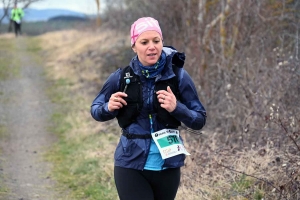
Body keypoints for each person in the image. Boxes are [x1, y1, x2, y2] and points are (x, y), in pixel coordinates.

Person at [91, 17, 206, 200]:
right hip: (130, 164)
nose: (151, 46)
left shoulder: (178, 76)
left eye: (156, 41)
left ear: (162, 42)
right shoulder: (120, 77)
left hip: (168, 165)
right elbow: (95, 109)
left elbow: (199, 119)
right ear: (134, 47)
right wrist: (108, 107)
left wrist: (177, 108)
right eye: (144, 42)